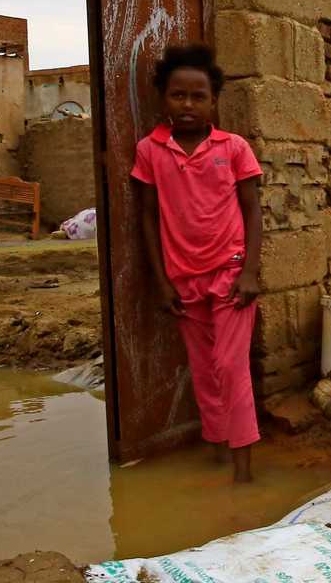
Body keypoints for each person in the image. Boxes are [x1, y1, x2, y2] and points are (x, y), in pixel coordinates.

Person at [132, 44, 263, 483]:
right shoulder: (150, 150)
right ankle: (218, 455)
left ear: (213, 102)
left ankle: (244, 474)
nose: (187, 104)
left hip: (230, 272)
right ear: (163, 98)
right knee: (204, 369)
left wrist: (249, 272)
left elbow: (253, 210)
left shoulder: (234, 147)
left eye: (198, 97)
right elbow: (148, 218)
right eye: (178, 95)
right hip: (183, 277)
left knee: (230, 366)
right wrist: (162, 280)